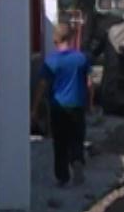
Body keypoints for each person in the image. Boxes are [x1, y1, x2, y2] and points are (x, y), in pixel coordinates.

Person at [33, 23, 91, 187]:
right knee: (77, 138)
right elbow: (89, 83)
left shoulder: (51, 61)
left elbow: (42, 85)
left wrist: (34, 108)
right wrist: (90, 103)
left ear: (55, 40)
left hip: (58, 107)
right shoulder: (81, 58)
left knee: (60, 142)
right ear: (71, 39)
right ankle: (77, 160)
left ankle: (62, 177)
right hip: (77, 106)